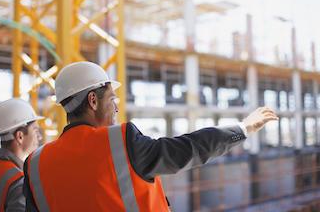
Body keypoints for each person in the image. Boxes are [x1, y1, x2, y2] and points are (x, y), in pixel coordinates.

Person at [23, 61, 278, 211]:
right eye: (113, 99)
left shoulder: (35, 164)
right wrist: (243, 128)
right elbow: (188, 148)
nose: (116, 107)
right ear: (92, 101)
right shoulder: (120, 141)